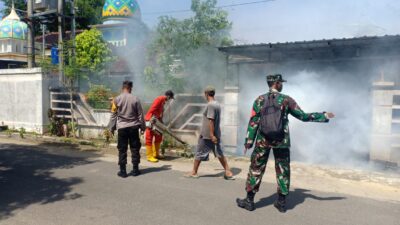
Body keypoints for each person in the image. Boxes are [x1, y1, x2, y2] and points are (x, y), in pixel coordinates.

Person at [236, 74, 335, 212]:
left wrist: (248, 142)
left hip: (262, 141)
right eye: (281, 82)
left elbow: (254, 122)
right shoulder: (286, 100)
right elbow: (303, 116)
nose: (282, 84)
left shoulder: (259, 100)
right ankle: (281, 203)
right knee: (283, 170)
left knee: (256, 168)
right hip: (282, 140)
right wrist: (323, 116)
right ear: (276, 83)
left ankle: (249, 201)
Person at [186, 86, 234, 180]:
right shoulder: (217, 104)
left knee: (199, 152)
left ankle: (194, 172)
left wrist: (211, 135)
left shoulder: (210, 105)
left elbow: (211, 120)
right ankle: (228, 172)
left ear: (206, 94)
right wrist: (216, 133)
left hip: (208, 135)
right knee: (219, 153)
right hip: (215, 134)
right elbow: (216, 120)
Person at [108, 81, 146, 178]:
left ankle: (123, 171)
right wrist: (142, 127)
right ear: (131, 88)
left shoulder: (116, 99)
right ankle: (135, 170)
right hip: (134, 127)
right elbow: (140, 115)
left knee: (122, 149)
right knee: (135, 148)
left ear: (122, 88)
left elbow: (113, 115)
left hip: (122, 128)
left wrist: (111, 128)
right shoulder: (136, 99)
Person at [144, 90, 175, 162]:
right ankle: (149, 156)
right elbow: (152, 109)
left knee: (159, 136)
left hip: (157, 121)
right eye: (170, 98)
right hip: (151, 120)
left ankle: (156, 154)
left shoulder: (163, 101)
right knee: (149, 137)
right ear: (168, 96)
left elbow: (160, 113)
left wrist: (161, 121)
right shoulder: (159, 99)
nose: (169, 100)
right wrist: (152, 119)